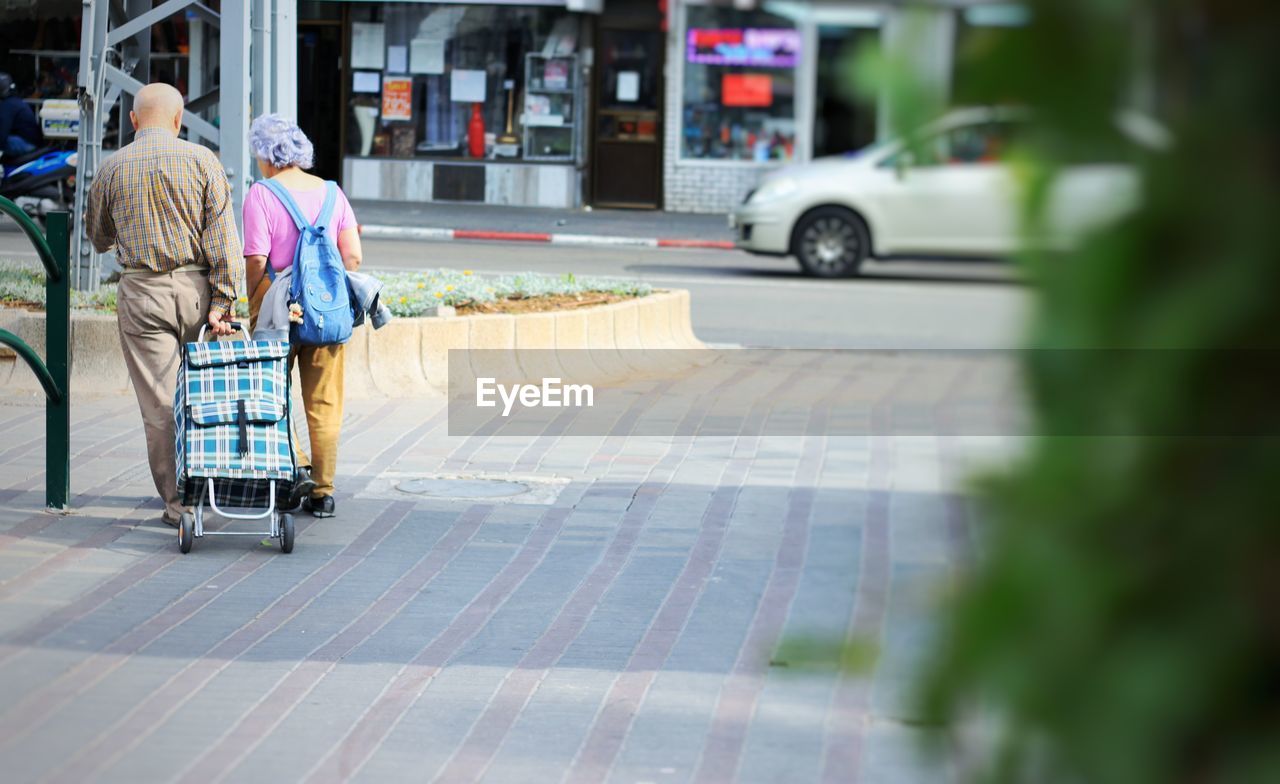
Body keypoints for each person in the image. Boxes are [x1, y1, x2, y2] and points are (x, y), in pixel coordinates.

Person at [84, 82, 244, 528]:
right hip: (197, 292)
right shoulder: (202, 161)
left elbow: (96, 237)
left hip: (141, 291)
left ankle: (179, 504)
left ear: (134, 120)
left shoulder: (112, 168)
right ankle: (220, 483)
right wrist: (224, 298)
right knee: (208, 391)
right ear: (178, 120)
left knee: (160, 404)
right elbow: (224, 240)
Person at [243, 114, 363, 519]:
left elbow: (257, 259)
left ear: (264, 154)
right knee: (325, 401)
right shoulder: (332, 191)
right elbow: (353, 257)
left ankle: (294, 471)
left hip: (277, 307)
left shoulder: (261, 193)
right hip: (326, 310)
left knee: (273, 394)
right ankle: (324, 493)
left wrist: (254, 303)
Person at [0, 72, 43, 158]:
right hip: (30, 143)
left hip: (27, 144)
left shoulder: (8, 105)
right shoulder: (14, 101)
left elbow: (2, 132)